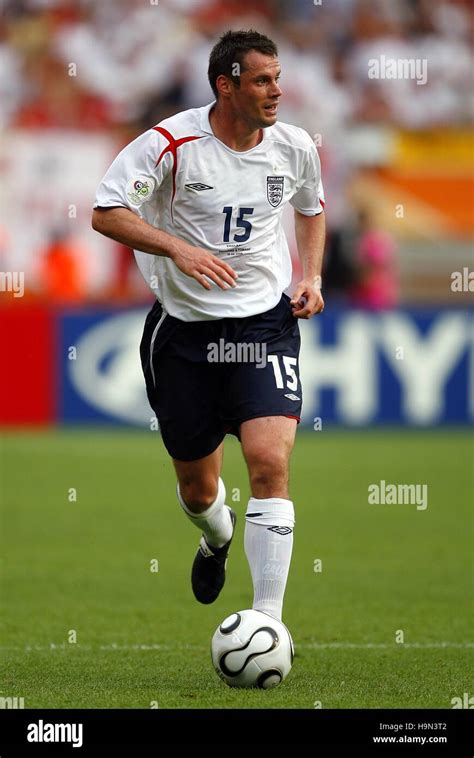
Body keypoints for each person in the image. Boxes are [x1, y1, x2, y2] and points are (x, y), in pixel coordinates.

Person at [92, 29, 325, 623]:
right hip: (184, 333)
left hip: (263, 328)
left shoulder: (294, 146)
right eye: (262, 80)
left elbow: (311, 208)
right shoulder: (170, 144)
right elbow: (107, 212)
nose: (277, 91)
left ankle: (268, 621)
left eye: (279, 78)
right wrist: (177, 249)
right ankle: (216, 536)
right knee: (199, 491)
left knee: (270, 465)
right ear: (226, 86)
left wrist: (312, 277)